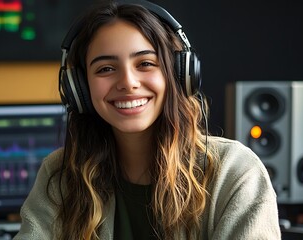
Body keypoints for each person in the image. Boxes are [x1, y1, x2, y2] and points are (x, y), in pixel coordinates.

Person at [14, 0, 281, 239]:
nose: (128, 83)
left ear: (178, 75)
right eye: (106, 69)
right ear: (80, 89)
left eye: (145, 64)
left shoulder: (235, 173)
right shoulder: (61, 175)